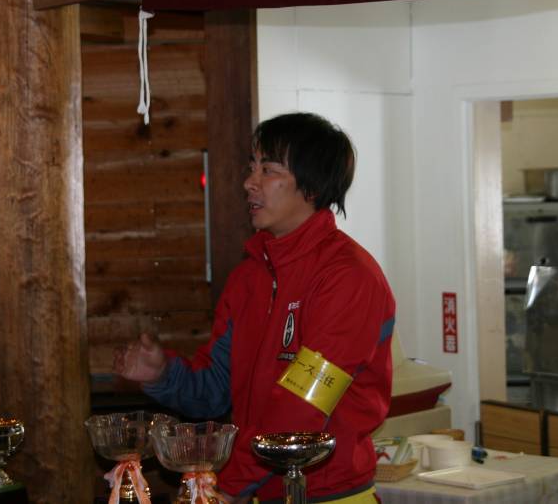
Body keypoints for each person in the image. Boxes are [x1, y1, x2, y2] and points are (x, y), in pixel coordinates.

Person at [113, 112, 395, 503]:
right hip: (255, 489)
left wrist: (229, 488)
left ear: (312, 186)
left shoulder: (349, 277)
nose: (250, 182)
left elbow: (303, 408)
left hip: (328, 493)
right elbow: (215, 390)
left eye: (268, 169)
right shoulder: (249, 276)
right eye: (252, 167)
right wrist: (163, 375)